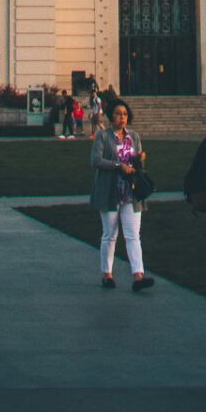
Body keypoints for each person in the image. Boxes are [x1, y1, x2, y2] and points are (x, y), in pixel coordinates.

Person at [89, 100, 155, 291]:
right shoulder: (102, 136)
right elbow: (95, 160)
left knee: (133, 235)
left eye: (125, 114)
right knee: (110, 235)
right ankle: (107, 274)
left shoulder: (133, 136)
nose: (122, 117)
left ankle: (138, 276)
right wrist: (118, 166)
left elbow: (137, 163)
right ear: (111, 117)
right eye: (118, 114)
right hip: (110, 190)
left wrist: (140, 159)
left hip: (131, 192)